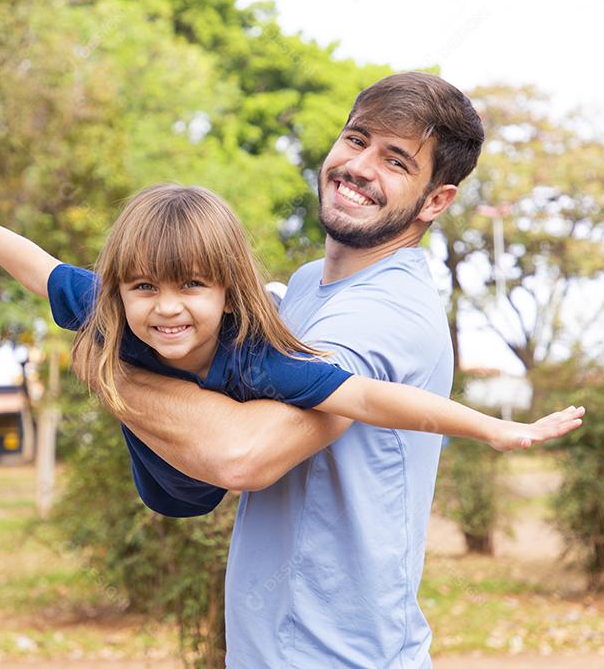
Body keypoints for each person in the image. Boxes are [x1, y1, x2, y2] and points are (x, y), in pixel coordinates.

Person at [50, 72, 515, 667]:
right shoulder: (305, 287)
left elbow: (242, 455)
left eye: (396, 161)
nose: (360, 167)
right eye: (356, 139)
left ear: (435, 201)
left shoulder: (380, 313)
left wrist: (109, 366)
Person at [0, 169, 581, 522]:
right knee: (99, 327)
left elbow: (370, 398)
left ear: (225, 292)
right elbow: (39, 267)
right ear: (122, 287)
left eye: (192, 285)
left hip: (209, 473)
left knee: (301, 372)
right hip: (163, 485)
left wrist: (490, 427)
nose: (166, 307)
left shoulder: (258, 358)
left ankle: (271, 303)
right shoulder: (108, 308)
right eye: (145, 287)